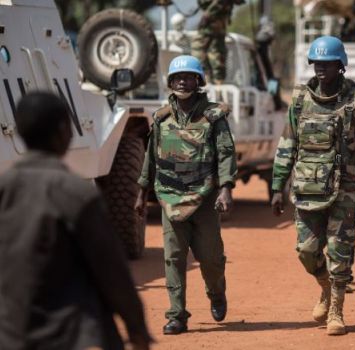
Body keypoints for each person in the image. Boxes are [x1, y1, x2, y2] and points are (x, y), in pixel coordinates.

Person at [0, 92, 152, 349]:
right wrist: (136, 327)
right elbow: (111, 269)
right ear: (63, 132)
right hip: (67, 335)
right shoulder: (75, 193)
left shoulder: (4, 188)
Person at [270, 36, 355, 336]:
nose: (321, 68)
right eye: (317, 63)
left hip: (345, 187)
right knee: (306, 251)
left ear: (341, 66)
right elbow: (287, 144)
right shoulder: (299, 99)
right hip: (307, 187)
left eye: (328, 63)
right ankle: (324, 285)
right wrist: (276, 186)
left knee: (340, 251)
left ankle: (336, 309)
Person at [135, 55, 237, 335]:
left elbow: (226, 153)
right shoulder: (161, 118)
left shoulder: (214, 116)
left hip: (204, 199)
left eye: (189, 77)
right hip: (169, 198)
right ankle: (177, 315)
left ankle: (216, 294)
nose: (182, 81)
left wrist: (226, 188)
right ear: (170, 82)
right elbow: (150, 159)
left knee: (211, 259)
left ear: (198, 81)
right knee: (174, 258)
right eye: (177, 77)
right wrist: (141, 193)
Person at [191, 0, 244, 84]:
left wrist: (207, 15)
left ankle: (210, 79)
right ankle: (212, 80)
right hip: (215, 19)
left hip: (214, 20)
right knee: (215, 51)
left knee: (200, 48)